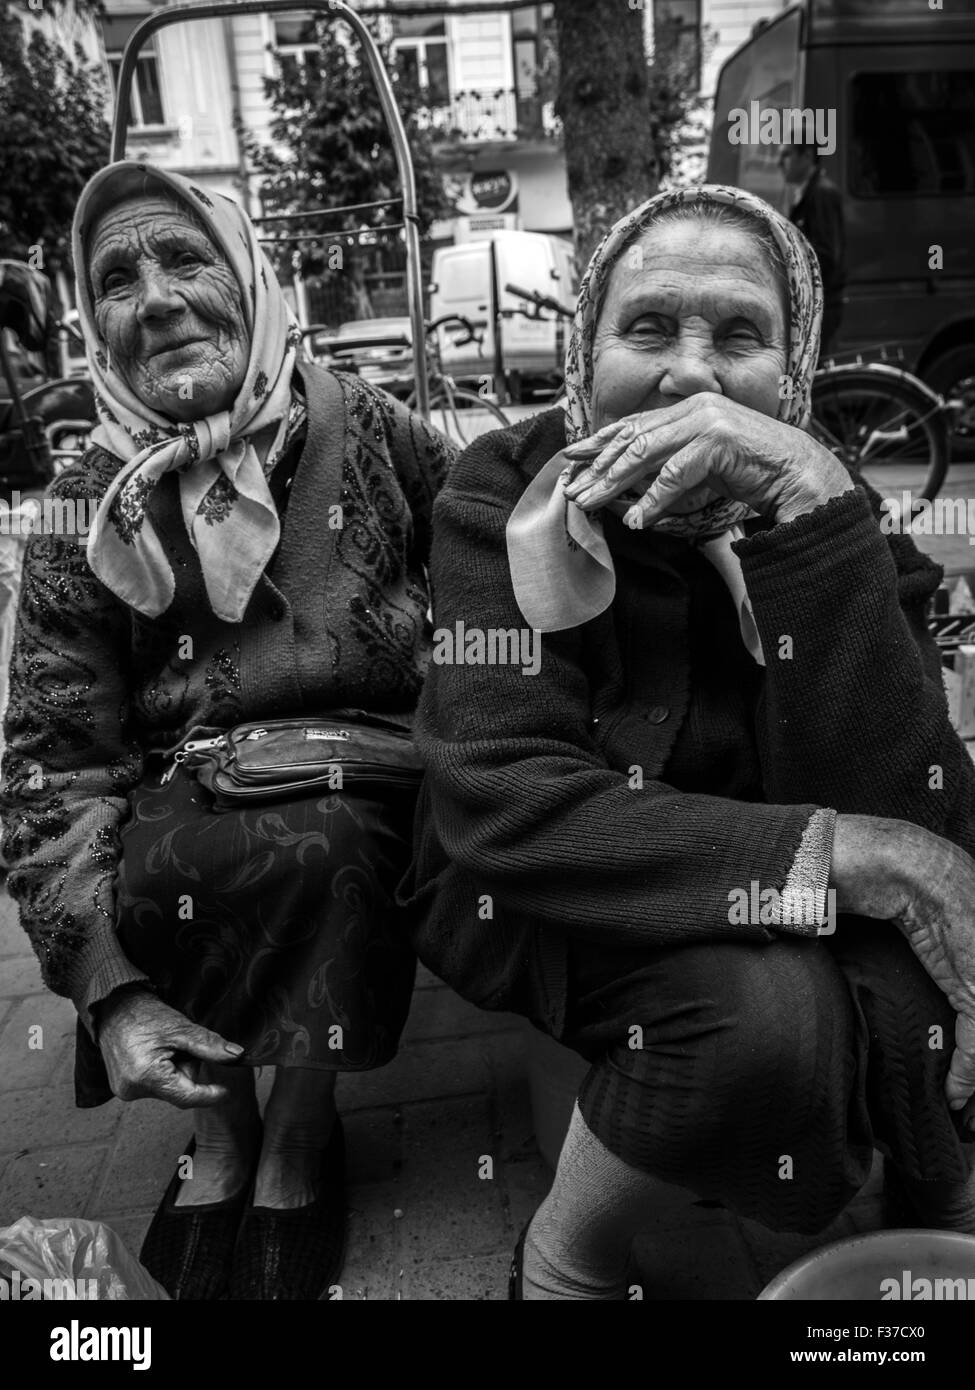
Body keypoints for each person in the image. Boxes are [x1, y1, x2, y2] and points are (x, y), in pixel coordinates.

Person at [399, 184, 975, 1301]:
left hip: (771, 848)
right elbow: (504, 799)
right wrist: (851, 857)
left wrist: (810, 512)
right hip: (537, 884)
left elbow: (922, 798)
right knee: (767, 1024)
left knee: (926, 971)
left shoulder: (826, 491)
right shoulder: (507, 493)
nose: (694, 376)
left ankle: (939, 1193)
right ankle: (566, 1262)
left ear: (795, 373)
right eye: (649, 328)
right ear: (586, 349)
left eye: (742, 337)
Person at [0, 161, 454, 1300]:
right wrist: (103, 987)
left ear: (250, 280)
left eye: (185, 257)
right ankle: (224, 1130)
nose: (154, 297)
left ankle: (301, 1130)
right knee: (160, 862)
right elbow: (49, 765)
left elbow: (497, 555)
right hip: (189, 790)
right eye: (116, 277)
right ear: (92, 321)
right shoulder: (83, 496)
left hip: (367, 772)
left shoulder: (376, 429)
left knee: (331, 849)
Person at [779, 143, 846, 355]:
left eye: (787, 155)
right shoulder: (809, 193)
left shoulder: (822, 193)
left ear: (807, 156)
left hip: (820, 307)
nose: (780, 163)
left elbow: (825, 256)